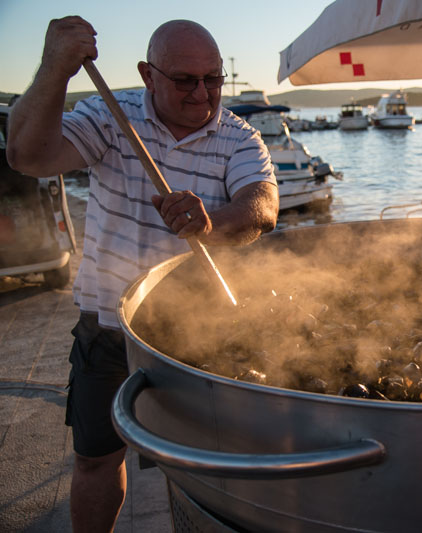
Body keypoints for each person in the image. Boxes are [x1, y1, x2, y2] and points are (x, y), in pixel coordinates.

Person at [6, 16, 278, 532]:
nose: (203, 94)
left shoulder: (237, 136)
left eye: (214, 79)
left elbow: (263, 206)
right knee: (94, 459)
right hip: (107, 325)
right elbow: (26, 156)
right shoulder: (111, 116)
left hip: (194, 337)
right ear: (147, 75)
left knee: (205, 469)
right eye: (184, 80)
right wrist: (55, 69)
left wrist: (212, 221)